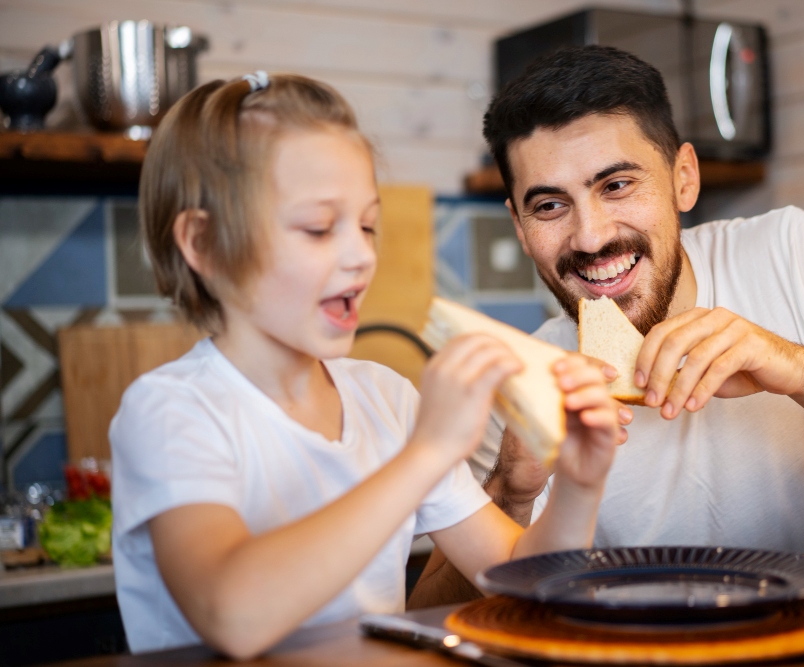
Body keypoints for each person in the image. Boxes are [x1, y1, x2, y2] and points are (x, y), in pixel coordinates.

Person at [407, 46, 804, 607]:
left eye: (617, 185)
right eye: (549, 206)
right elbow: (429, 615)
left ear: (682, 179)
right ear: (518, 223)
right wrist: (511, 489)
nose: (589, 237)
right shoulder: (523, 377)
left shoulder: (791, 251)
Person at [109, 72, 622, 657]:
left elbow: (521, 579)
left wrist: (580, 485)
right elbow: (234, 616)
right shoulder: (172, 410)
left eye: (368, 225)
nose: (360, 255)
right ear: (202, 244)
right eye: (319, 228)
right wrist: (426, 453)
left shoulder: (386, 398)